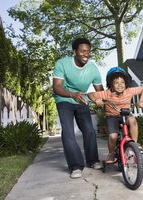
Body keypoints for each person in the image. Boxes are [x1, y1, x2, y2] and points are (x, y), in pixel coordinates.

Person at [52, 37, 103, 179]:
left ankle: (93, 160)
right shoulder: (62, 63)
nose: (86, 54)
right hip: (64, 99)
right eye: (82, 51)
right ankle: (75, 166)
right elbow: (56, 87)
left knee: (89, 131)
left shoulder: (92, 68)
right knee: (68, 132)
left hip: (82, 100)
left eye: (88, 51)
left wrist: (100, 99)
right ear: (74, 51)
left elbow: (99, 90)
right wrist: (72, 95)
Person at [87, 66, 143, 164]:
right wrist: (96, 100)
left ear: (126, 83)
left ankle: (134, 145)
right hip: (112, 116)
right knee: (113, 136)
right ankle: (111, 153)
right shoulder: (107, 93)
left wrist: (141, 101)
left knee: (132, 120)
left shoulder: (129, 91)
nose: (120, 85)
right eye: (116, 82)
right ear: (111, 84)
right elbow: (90, 94)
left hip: (125, 114)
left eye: (122, 82)